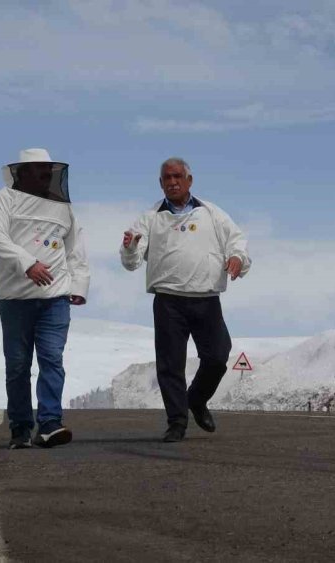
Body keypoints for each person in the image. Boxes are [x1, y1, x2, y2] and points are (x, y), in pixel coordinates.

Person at [120, 157, 250, 442]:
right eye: (167, 178)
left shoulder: (211, 213)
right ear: (160, 183)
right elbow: (131, 261)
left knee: (217, 356)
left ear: (190, 180)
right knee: (170, 364)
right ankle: (176, 423)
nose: (172, 182)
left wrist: (238, 258)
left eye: (178, 176)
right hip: (168, 301)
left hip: (205, 298)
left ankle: (196, 399)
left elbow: (236, 241)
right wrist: (129, 248)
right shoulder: (151, 217)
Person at [0, 148, 90, 449]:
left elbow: (75, 248)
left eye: (48, 171)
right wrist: (27, 263)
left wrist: (78, 286)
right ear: (23, 172)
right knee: (18, 365)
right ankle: (20, 428)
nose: (45, 175)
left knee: (51, 360)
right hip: (15, 299)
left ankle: (49, 423)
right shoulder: (2, 200)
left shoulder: (63, 207)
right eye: (39, 170)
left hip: (55, 299)